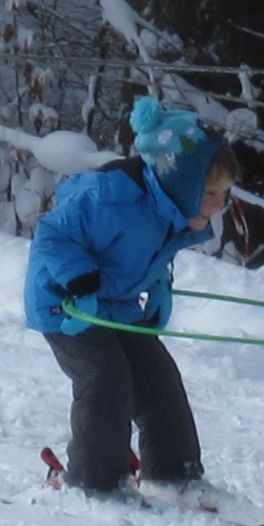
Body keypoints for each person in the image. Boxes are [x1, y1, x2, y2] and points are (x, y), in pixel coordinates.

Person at [25, 96, 238, 497]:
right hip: (65, 305)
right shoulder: (108, 198)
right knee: (106, 379)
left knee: (158, 380)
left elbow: (150, 250)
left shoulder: (168, 207)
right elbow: (52, 234)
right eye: (209, 192)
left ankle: (174, 475)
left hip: (116, 305)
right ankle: (94, 481)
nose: (219, 204)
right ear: (179, 181)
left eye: (224, 193)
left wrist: (158, 286)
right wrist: (79, 281)